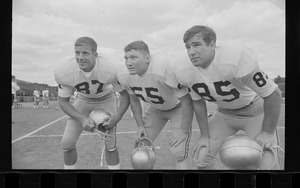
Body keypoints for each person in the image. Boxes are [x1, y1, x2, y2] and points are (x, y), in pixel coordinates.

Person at [173, 25, 282, 170]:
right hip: (224, 114)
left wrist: (267, 132)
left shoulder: (235, 59)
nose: (191, 52)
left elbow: (274, 94)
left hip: (255, 112)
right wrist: (204, 135)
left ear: (212, 44)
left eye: (196, 45)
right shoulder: (183, 70)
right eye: (187, 47)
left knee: (269, 166)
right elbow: (198, 102)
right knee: (201, 158)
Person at [53, 36, 130, 170]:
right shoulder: (64, 69)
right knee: (67, 143)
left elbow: (125, 94)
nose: (80, 57)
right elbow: (63, 102)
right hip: (83, 99)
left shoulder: (112, 66)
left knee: (110, 143)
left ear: (95, 55)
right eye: (77, 53)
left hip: (106, 97)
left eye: (85, 53)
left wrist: (117, 118)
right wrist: (82, 118)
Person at [116, 40, 194, 170]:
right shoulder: (124, 75)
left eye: (134, 57)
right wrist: (140, 125)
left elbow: (187, 101)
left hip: (178, 108)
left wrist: (183, 130)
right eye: (126, 58)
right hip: (155, 109)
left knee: (179, 151)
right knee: (141, 148)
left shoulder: (164, 68)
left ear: (147, 58)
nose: (128, 62)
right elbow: (134, 100)